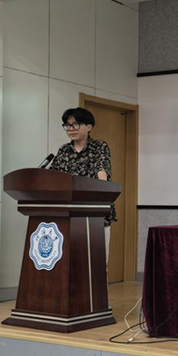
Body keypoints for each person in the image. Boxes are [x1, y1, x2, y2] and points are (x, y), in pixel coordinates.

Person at [49, 107, 117, 263]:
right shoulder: (64, 150)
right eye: (67, 125)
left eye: (76, 124)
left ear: (89, 126)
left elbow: (102, 171)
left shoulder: (99, 147)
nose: (71, 129)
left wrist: (101, 190)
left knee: (97, 262)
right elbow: (53, 176)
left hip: (95, 212)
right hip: (68, 213)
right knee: (70, 262)